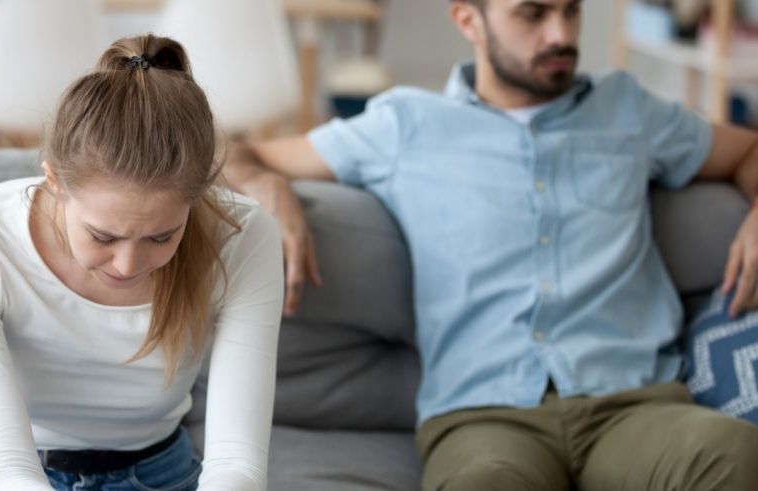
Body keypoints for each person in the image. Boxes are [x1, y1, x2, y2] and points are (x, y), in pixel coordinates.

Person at [224, 1, 758, 490]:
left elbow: (748, 151)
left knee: (733, 452)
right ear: (467, 20)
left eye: (571, 12)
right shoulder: (404, 125)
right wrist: (269, 186)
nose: (561, 34)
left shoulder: (629, 110)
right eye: (533, 14)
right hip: (484, 418)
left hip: (635, 406)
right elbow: (227, 152)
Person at [0, 34, 283, 491]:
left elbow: (238, 462)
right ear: (54, 181)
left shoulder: (244, 237)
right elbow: (7, 471)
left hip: (156, 473)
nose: (128, 265)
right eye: (103, 235)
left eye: (161, 236)